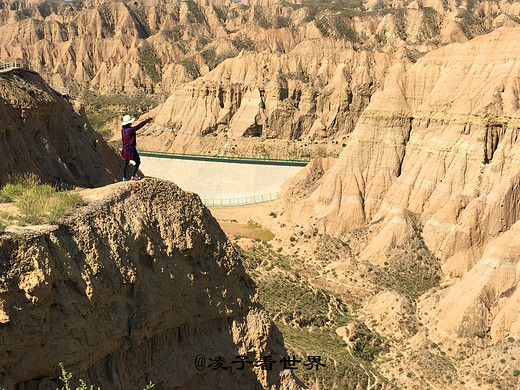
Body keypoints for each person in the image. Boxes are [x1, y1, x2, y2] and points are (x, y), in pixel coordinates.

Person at [120, 115, 153, 181]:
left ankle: (124, 177)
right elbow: (140, 125)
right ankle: (133, 176)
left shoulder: (123, 130)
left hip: (125, 148)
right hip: (131, 148)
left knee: (126, 162)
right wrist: (147, 120)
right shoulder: (131, 130)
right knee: (137, 161)